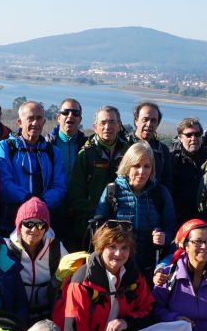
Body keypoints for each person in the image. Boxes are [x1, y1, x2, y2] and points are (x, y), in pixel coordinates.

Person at [52, 223, 155, 331]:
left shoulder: (133, 276)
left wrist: (127, 322)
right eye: (112, 247)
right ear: (100, 248)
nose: (118, 253)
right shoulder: (82, 282)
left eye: (124, 248)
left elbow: (149, 310)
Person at [93, 142, 176, 272]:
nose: (141, 172)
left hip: (150, 266)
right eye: (136, 165)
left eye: (147, 166)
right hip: (117, 265)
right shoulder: (112, 191)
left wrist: (164, 237)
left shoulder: (161, 193)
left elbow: (171, 227)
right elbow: (100, 230)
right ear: (127, 166)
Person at [0, 101, 68, 233]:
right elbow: (4, 183)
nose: (35, 123)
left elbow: (59, 186)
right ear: (20, 122)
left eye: (39, 118)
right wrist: (28, 200)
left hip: (43, 221)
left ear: (44, 122)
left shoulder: (53, 152)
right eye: (30, 118)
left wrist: (41, 203)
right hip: (9, 221)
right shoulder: (5, 147)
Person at [68, 105, 133, 245]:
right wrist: (99, 214)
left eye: (112, 122)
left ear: (119, 125)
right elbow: (75, 195)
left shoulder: (129, 153)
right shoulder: (86, 154)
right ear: (95, 126)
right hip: (92, 224)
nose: (107, 127)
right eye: (103, 123)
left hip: (123, 223)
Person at [6, 198, 66, 321]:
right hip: (15, 315)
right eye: (29, 224)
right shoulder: (6, 248)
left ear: (46, 228)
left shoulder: (56, 248)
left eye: (40, 225)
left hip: (49, 314)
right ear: (19, 226)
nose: (34, 230)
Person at [47, 98, 88, 244]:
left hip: (79, 213)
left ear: (80, 119)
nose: (70, 116)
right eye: (66, 112)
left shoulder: (88, 146)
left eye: (75, 113)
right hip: (52, 211)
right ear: (58, 117)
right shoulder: (46, 144)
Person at [169, 116, 207, 223]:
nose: (193, 138)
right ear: (180, 137)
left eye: (197, 134)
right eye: (188, 135)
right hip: (179, 219)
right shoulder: (172, 160)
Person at [131, 101, 173, 190]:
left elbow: (167, 182)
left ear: (157, 124)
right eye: (145, 119)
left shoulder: (162, 150)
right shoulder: (124, 145)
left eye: (153, 121)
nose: (149, 124)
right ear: (136, 121)